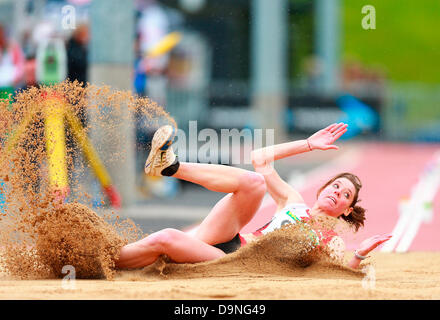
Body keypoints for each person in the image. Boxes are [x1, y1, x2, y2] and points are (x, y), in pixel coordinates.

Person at [116, 123, 391, 270]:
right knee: (254, 181)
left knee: (166, 239)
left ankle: (102, 260)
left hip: (236, 261)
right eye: (336, 186)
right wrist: (307, 144)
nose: (337, 193)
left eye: (346, 195)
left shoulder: (331, 241)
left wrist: (359, 256)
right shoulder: (293, 201)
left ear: (346, 210)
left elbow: (339, 271)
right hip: (232, 240)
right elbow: (260, 158)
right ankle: (170, 167)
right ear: (322, 189)